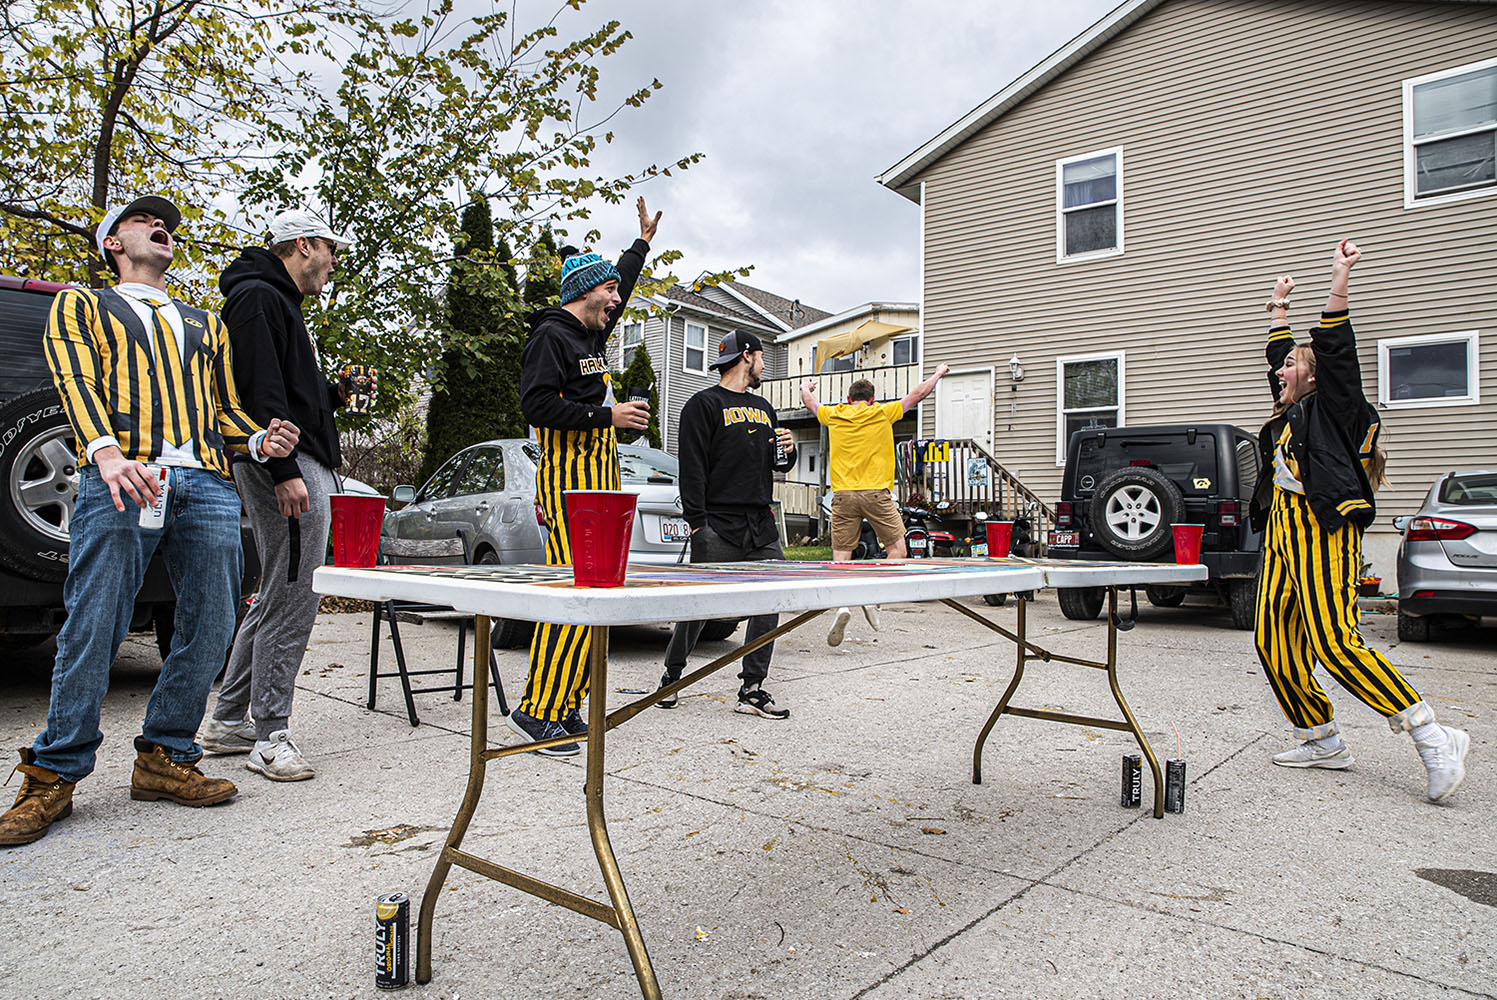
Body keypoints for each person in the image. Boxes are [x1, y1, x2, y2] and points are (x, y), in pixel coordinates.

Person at [0, 195, 300, 847]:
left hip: (207, 485)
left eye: (164, 223)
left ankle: (164, 755)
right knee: (96, 619)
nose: (159, 226)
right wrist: (103, 452)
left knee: (215, 620)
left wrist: (257, 442)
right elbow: (75, 380)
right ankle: (54, 771)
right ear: (113, 243)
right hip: (124, 474)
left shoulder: (203, 322)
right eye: (141, 221)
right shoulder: (83, 304)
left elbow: (223, 410)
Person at [1251, 239, 1467, 803]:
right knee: (1274, 640)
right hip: (1281, 533)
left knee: (1333, 641)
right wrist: (1278, 308)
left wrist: (1338, 281)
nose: (1281, 374)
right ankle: (1321, 740)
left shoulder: (1337, 409)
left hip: (1324, 530)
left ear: (1317, 377)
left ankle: (1431, 734)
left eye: (1293, 367)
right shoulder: (1290, 413)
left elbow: (1337, 353)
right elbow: (1280, 358)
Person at [201, 209, 362, 782]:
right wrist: (284, 469)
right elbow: (260, 392)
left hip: (288, 460)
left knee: (275, 592)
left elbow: (288, 390)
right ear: (303, 245)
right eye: (332, 251)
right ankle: (270, 736)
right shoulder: (258, 299)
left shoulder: (276, 303)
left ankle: (225, 722)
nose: (334, 264)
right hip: (283, 465)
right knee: (295, 594)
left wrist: (335, 394)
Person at [507, 197, 659, 756]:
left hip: (598, 477)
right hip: (566, 478)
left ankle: (566, 700)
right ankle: (536, 709)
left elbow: (620, 277)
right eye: (609, 293)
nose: (617, 301)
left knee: (597, 590)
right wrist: (607, 416)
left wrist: (640, 244)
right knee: (573, 593)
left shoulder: (591, 331)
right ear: (584, 293)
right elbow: (538, 404)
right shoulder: (552, 337)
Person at [657, 330, 797, 718]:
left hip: (760, 524)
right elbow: (693, 469)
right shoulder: (702, 405)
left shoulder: (765, 408)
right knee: (700, 606)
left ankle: (752, 687)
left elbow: (775, 464)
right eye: (762, 357)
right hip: (718, 523)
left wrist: (789, 451)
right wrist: (698, 524)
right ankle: (671, 678)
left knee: (769, 602)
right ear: (747, 357)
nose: (765, 365)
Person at [801, 362, 950, 645]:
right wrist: (939, 373)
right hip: (876, 495)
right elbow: (918, 394)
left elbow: (811, 403)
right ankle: (873, 597)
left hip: (842, 495)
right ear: (871, 399)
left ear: (848, 399)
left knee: (841, 558)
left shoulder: (834, 414)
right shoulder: (882, 412)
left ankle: (842, 605)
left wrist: (804, 388)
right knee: (897, 550)